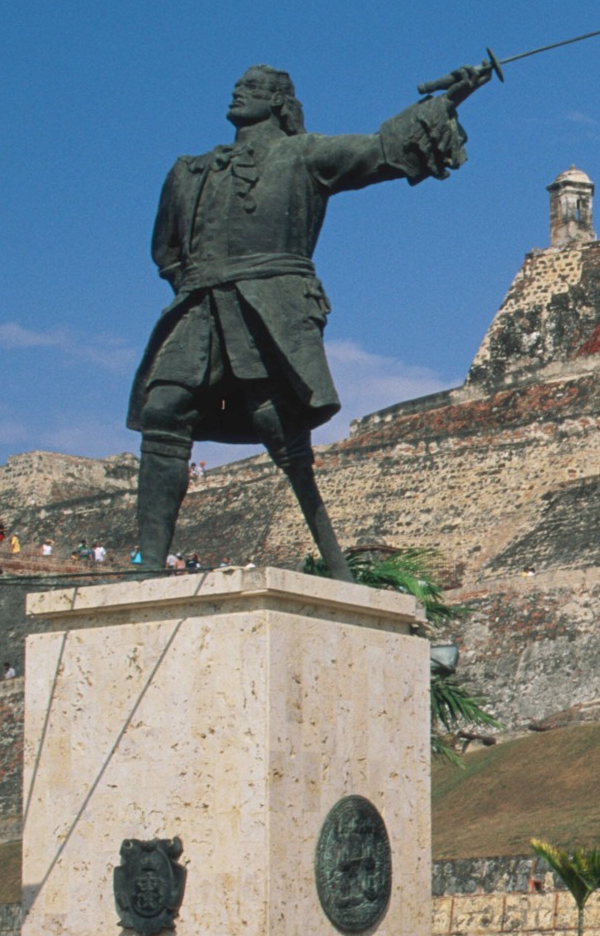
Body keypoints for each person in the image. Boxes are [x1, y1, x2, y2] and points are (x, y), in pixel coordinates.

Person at [125, 62, 479, 581]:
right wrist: (197, 283)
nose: (238, 92)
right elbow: (167, 250)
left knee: (277, 423)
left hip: (270, 304)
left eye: (252, 88)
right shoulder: (191, 170)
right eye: (237, 84)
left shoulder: (305, 154)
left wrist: (448, 102)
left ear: (277, 101)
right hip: (199, 303)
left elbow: (381, 148)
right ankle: (149, 564)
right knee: (163, 408)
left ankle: (336, 565)